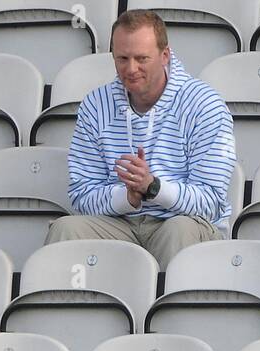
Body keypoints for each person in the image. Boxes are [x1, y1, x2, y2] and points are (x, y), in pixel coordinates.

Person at [47, 9, 235, 268]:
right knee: (65, 229)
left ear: (165, 55)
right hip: (120, 222)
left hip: (182, 222)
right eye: (122, 58)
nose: (131, 69)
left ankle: (172, 308)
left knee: (178, 231)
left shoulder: (205, 105)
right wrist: (128, 198)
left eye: (141, 58)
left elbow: (211, 203)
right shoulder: (95, 104)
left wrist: (153, 187)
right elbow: (82, 195)